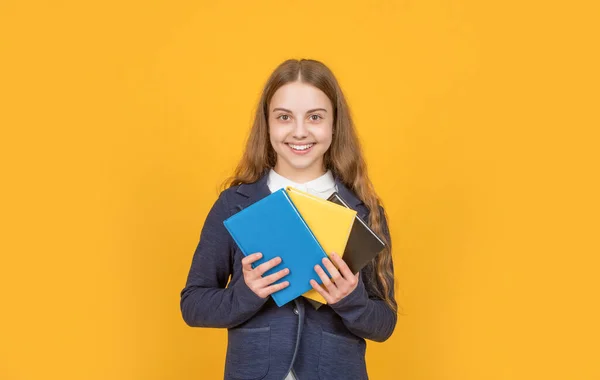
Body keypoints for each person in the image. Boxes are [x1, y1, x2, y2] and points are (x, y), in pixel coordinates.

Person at [180, 58, 397, 380]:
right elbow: (194, 305)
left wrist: (350, 299)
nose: (299, 131)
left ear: (335, 125)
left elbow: (383, 324)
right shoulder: (235, 204)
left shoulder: (363, 210)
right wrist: (248, 292)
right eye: (284, 117)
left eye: (315, 117)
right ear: (266, 125)